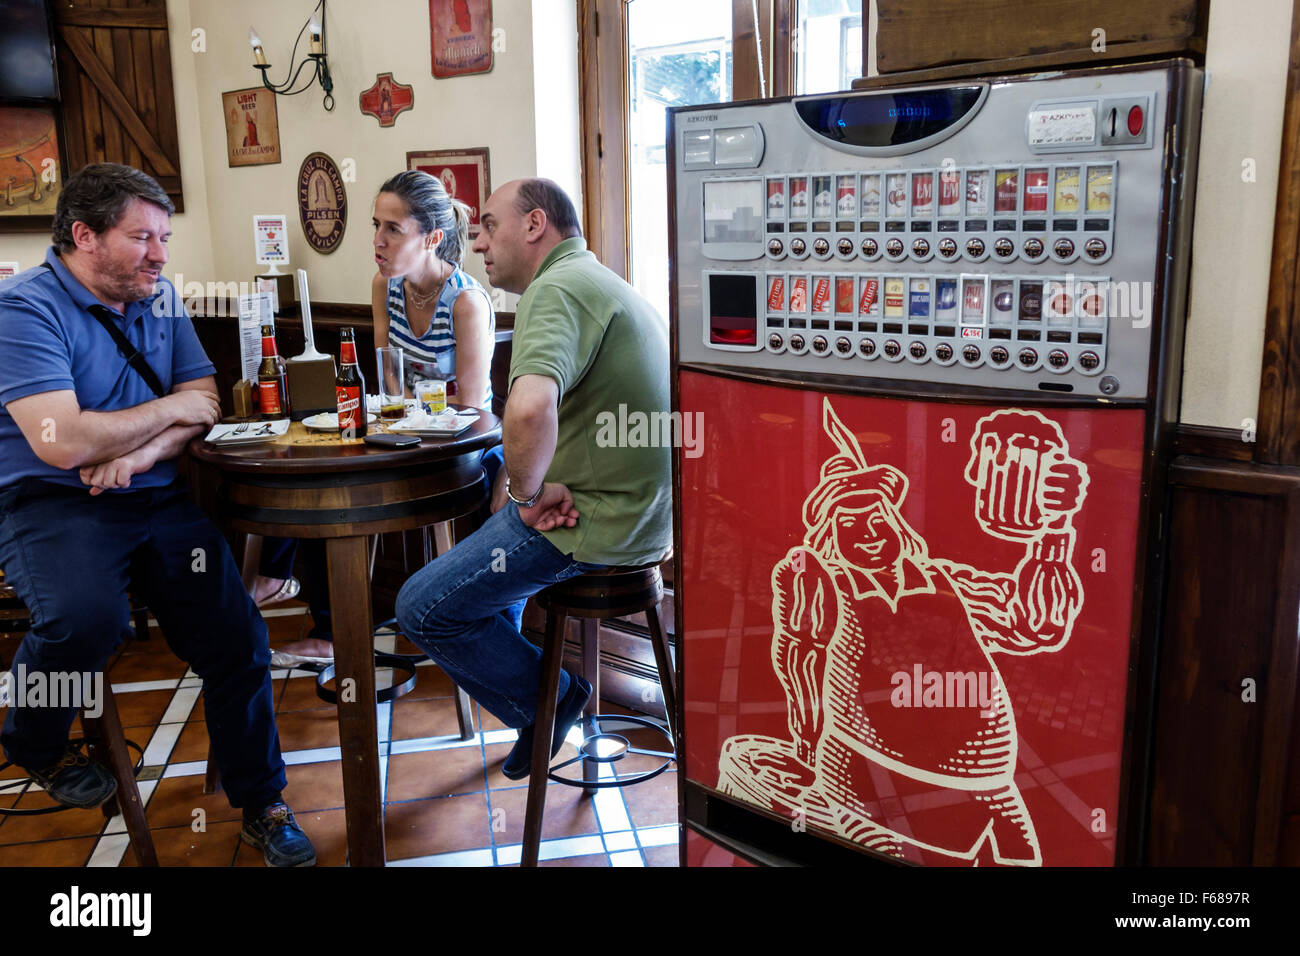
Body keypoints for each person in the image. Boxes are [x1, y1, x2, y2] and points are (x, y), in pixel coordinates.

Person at [0, 163, 316, 866]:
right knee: (88, 620)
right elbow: (65, 442)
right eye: (142, 237)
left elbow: (204, 398)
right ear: (84, 235)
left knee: (239, 640)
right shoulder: (22, 309)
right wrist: (167, 411)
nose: (161, 255)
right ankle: (33, 737)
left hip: (153, 491)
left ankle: (262, 803)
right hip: (55, 501)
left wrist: (139, 455)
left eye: (164, 237)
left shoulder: (161, 295)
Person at [395, 178, 671, 780]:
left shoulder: (557, 290)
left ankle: (552, 701)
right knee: (493, 574)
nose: (479, 242)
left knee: (420, 608)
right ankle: (534, 712)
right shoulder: (597, 281)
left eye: (490, 225)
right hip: (644, 516)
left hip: (597, 521)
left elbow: (524, 410)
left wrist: (523, 495)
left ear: (535, 224)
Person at [263, 170, 496, 666]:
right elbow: (387, 377)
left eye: (394, 229)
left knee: (349, 481)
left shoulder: (467, 303)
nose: (377, 241)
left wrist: (403, 421)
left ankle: (434, 631)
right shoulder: (384, 286)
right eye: (376, 225)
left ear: (431, 237)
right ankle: (329, 627)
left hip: (463, 451)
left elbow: (473, 409)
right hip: (406, 432)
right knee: (321, 470)